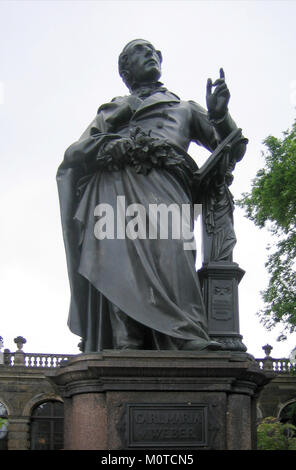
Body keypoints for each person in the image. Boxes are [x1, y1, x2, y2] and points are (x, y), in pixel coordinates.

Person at [57, 39, 246, 352]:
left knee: (175, 256)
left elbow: (231, 149)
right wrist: (107, 145)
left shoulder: (185, 108)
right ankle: (125, 339)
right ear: (127, 71)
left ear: (160, 59)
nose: (147, 55)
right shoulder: (115, 108)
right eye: (137, 54)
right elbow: (75, 152)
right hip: (116, 187)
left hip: (167, 186)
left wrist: (220, 115)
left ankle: (184, 335)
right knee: (117, 257)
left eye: (150, 51)